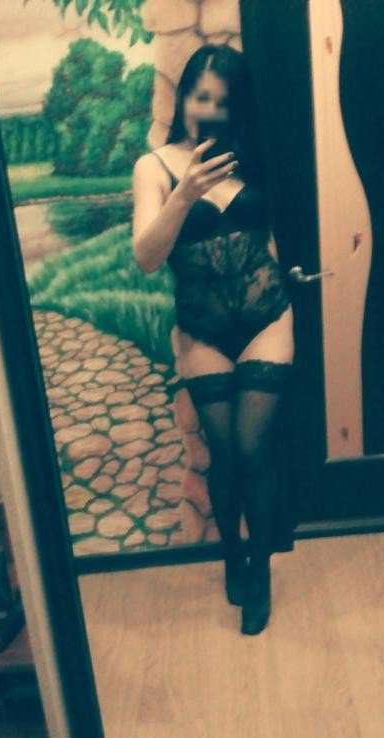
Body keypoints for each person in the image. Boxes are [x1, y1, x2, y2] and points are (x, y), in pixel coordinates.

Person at [132, 44, 294, 635]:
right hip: (202, 327)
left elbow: (267, 233)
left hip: (266, 316)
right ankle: (231, 555)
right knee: (224, 457)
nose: (209, 110)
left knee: (254, 451)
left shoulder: (249, 157)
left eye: (223, 102)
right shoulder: (154, 166)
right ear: (184, 98)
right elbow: (147, 257)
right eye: (201, 97)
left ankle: (261, 570)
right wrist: (185, 193)